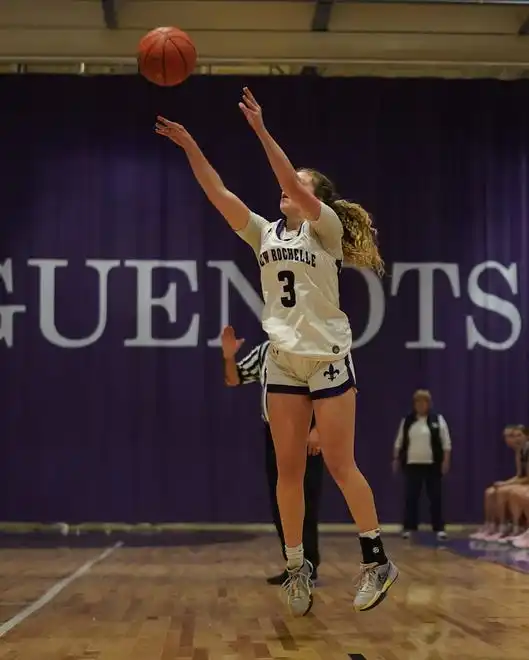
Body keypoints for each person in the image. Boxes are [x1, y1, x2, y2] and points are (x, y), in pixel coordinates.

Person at [155, 87, 398, 616]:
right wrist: (191, 146)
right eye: (290, 187)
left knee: (339, 464)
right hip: (284, 357)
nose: (286, 191)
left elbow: (288, 179)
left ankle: (377, 560)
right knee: (288, 470)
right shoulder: (264, 234)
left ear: (315, 199)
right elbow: (217, 191)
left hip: (328, 354)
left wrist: (262, 130)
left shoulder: (326, 229)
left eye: (298, 186)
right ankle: (296, 567)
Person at [220, 326, 323, 583]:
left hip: (304, 432)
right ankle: (293, 562)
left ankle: (308, 564)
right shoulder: (265, 351)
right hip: (274, 433)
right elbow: (234, 379)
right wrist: (228, 356)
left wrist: (318, 429)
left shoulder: (308, 350)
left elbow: (327, 393)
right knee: (280, 501)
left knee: (305, 499)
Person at [392, 390, 452, 541]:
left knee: (435, 497)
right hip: (413, 465)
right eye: (418, 402)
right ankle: (408, 528)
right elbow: (399, 442)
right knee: (411, 497)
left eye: (424, 402)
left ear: (429, 404)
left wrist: (445, 461)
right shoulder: (407, 421)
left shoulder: (437, 420)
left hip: (432, 465)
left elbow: (446, 442)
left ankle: (439, 529)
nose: (421, 405)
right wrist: (396, 459)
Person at [470, 425, 529, 541]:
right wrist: (506, 483)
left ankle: (516, 528)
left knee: (511, 492)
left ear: (527, 436)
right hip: (523, 481)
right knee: (490, 492)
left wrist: (507, 484)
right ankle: (493, 526)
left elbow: (527, 478)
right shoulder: (520, 451)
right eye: (513, 436)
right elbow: (519, 475)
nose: (515, 439)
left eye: (519, 435)